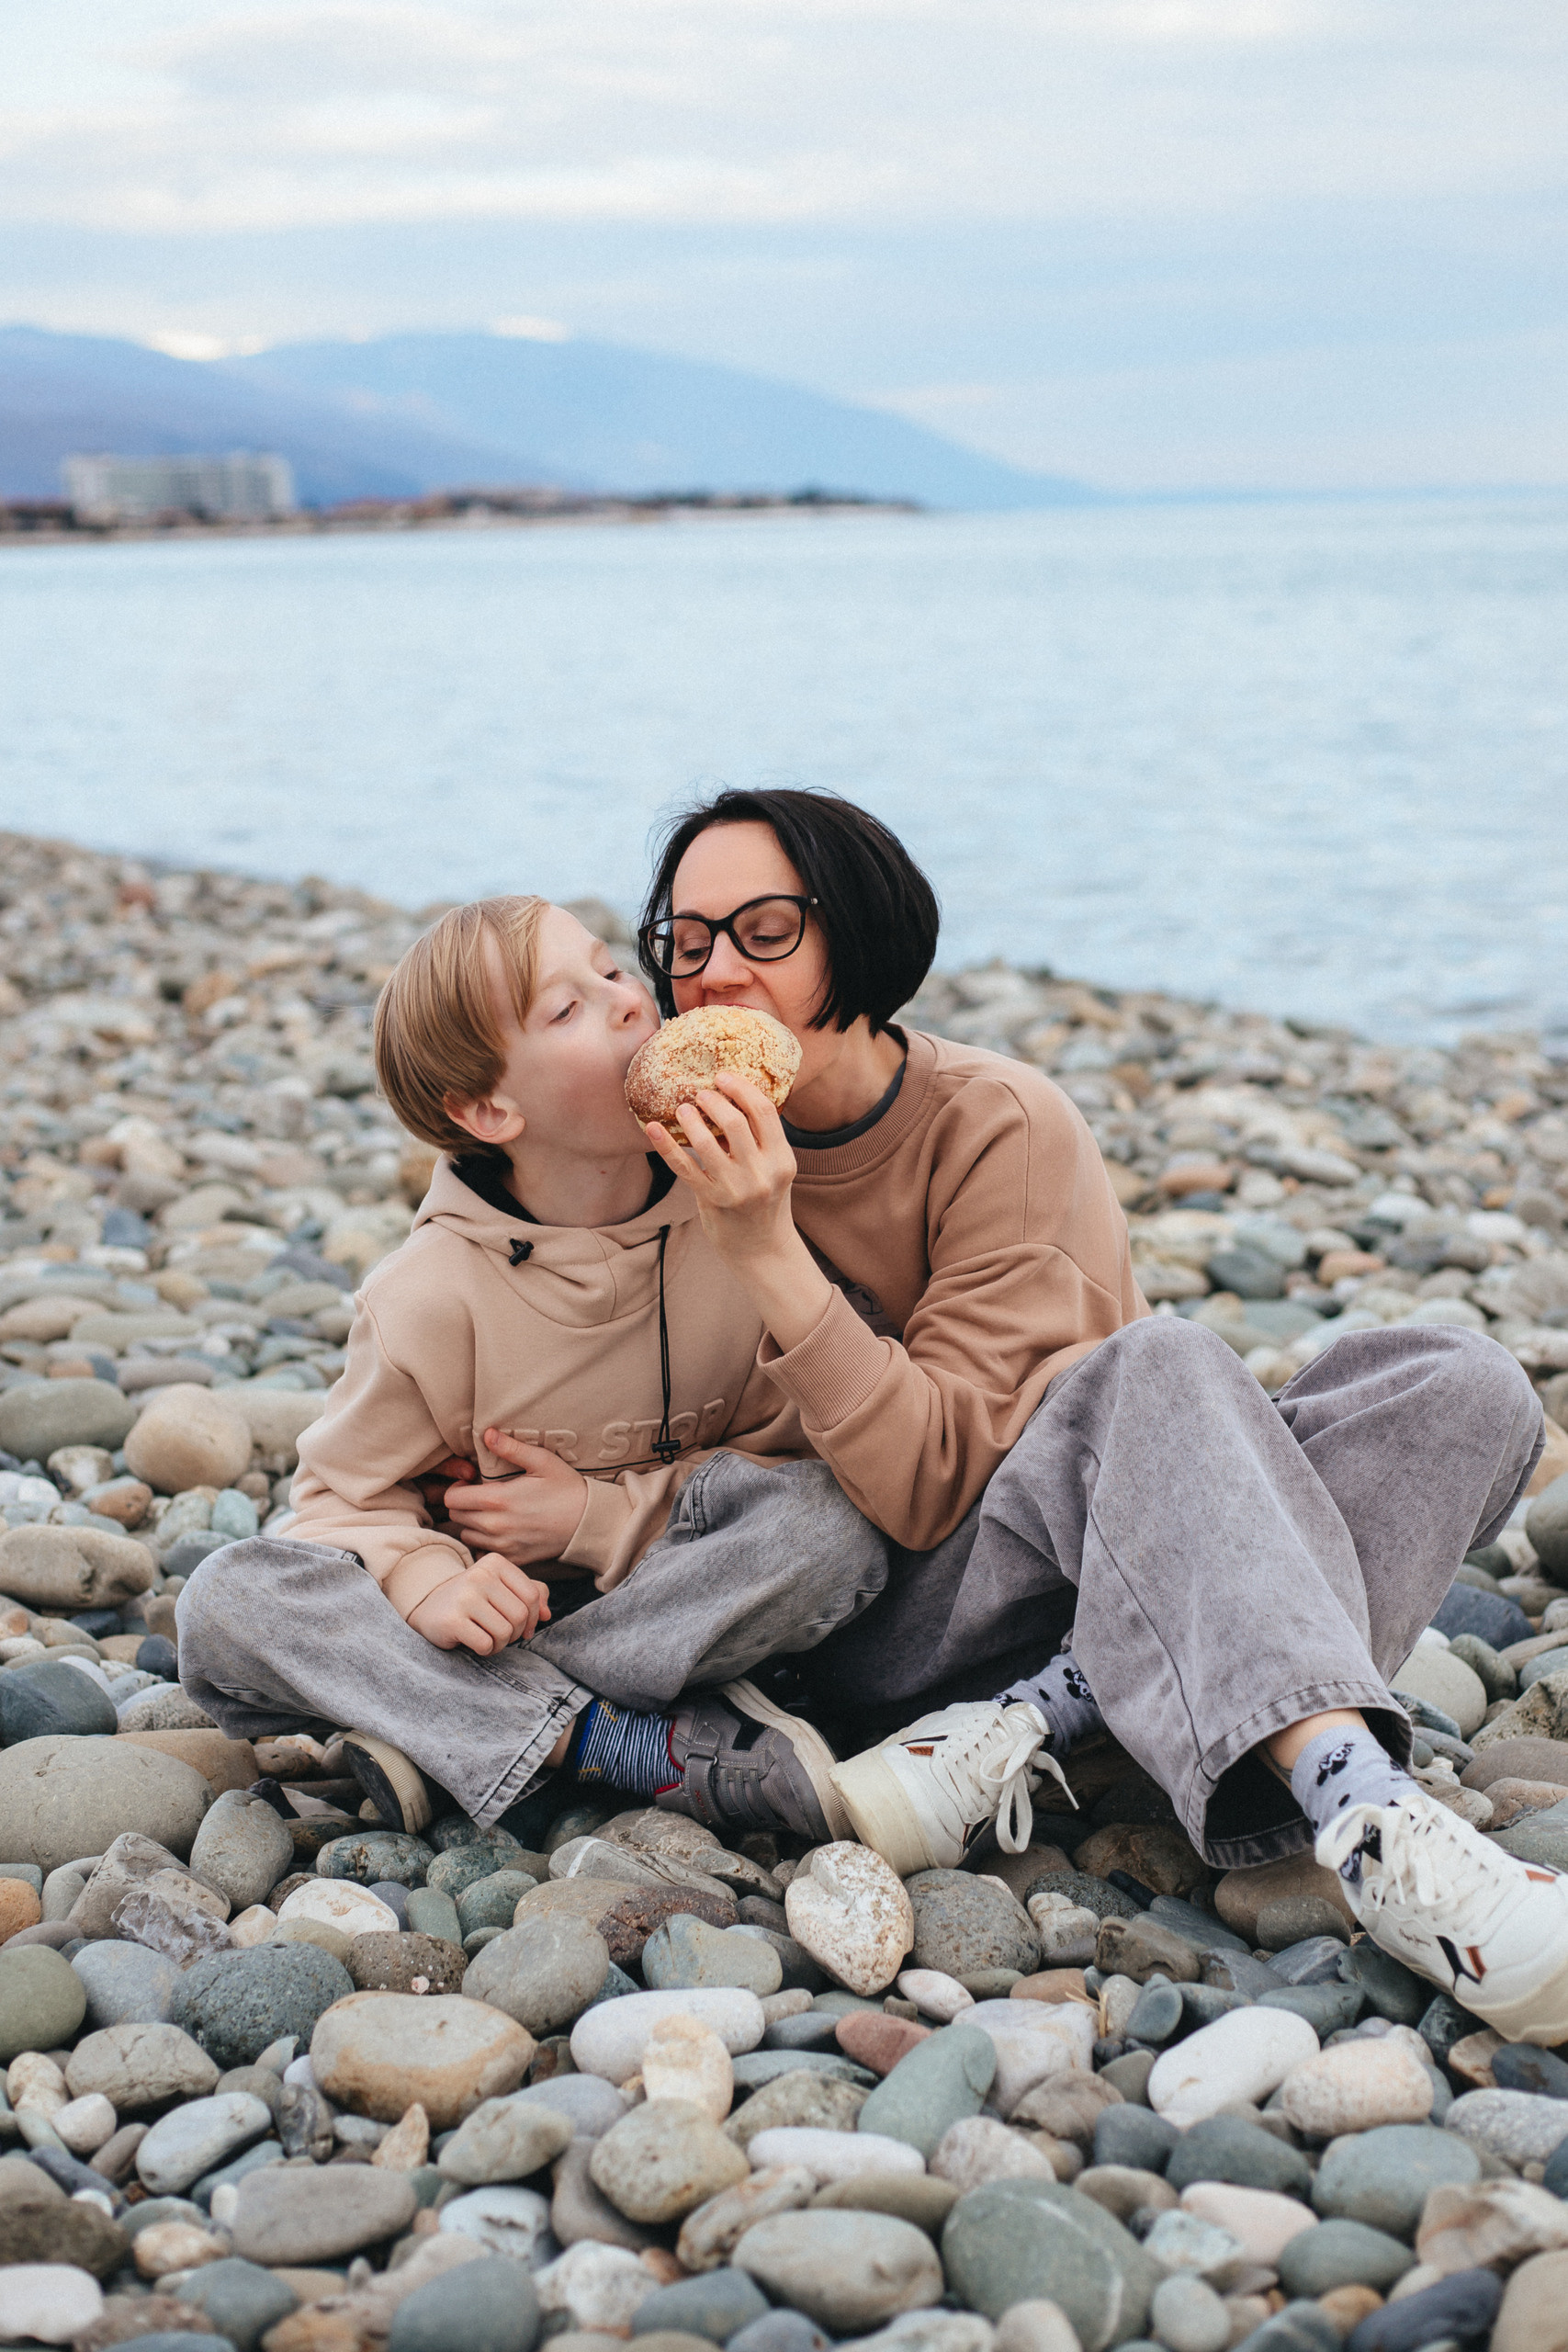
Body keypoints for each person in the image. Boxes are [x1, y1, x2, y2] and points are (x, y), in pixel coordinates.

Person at [634, 787, 1568, 2045]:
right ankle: (1368, 1819)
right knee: (1162, 1363)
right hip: (889, 1620)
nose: (712, 975)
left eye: (759, 930)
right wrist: (749, 1243)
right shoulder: (664, 1154)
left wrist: (765, 1251)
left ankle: (1057, 1710)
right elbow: (910, 1514)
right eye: (683, 942)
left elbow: (966, 1465)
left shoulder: (993, 1126)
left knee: (1461, 1390)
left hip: (1075, 1562)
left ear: (850, 932)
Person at [175, 892, 895, 1847]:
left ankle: (457, 1727)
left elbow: (793, 1456)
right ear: (488, 1108)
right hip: (494, 1611)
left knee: (834, 1527)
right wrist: (429, 1579)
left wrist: (594, 1518)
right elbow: (339, 1504)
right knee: (228, 1599)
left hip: (667, 1597)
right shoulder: (428, 1295)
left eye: (609, 970)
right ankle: (618, 1746)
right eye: (568, 1009)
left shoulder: (746, 1212)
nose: (631, 1001)